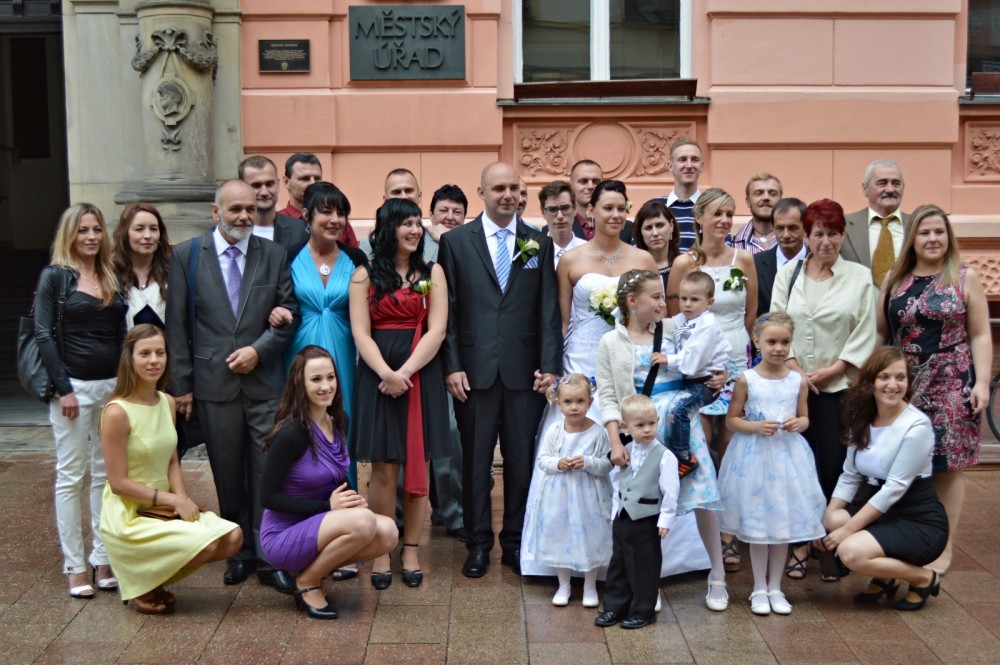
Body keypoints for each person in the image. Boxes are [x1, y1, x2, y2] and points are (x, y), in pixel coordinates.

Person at [165, 180, 298, 589]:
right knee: (227, 472)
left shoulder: (273, 255)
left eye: (250, 209)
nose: (244, 216)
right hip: (213, 384)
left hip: (264, 384)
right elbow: (177, 326)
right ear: (215, 211)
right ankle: (238, 551)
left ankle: (269, 556)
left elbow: (289, 312)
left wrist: (259, 350)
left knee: (266, 471)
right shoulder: (187, 255)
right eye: (235, 209)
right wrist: (182, 386)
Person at [438, 162, 561, 578]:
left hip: (525, 373)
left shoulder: (538, 243)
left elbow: (547, 309)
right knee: (475, 462)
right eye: (499, 189)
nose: (507, 195)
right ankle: (477, 544)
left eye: (514, 188)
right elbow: (449, 310)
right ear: (482, 193)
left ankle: (515, 542)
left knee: (520, 460)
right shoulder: (456, 242)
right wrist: (452, 366)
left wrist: (549, 366)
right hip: (473, 372)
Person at [596, 270, 728, 611]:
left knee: (701, 500)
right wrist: (616, 441)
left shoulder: (673, 329)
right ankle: (647, 584)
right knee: (645, 510)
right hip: (641, 433)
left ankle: (717, 575)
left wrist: (720, 375)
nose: (663, 303)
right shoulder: (611, 342)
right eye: (656, 297)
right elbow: (608, 395)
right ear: (632, 301)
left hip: (679, 423)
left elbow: (706, 356)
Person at [877, 204, 990, 576]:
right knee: (901, 465)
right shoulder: (894, 278)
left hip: (951, 384)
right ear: (912, 238)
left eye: (939, 232)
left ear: (948, 237)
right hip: (902, 386)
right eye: (924, 232)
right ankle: (908, 539)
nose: (932, 239)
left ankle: (944, 546)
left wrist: (982, 382)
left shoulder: (964, 277)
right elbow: (881, 333)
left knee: (946, 467)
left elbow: (980, 333)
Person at [99, 325, 242, 614]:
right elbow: (118, 483)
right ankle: (143, 586)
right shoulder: (117, 412)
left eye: (160, 353)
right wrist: (173, 500)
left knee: (233, 538)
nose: (154, 360)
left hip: (163, 508)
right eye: (145, 354)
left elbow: (172, 459)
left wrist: (182, 499)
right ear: (129, 358)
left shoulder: (167, 401)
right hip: (129, 514)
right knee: (204, 546)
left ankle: (150, 581)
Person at [771, 198, 876, 581]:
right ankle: (800, 546)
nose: (826, 241)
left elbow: (865, 330)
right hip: (794, 389)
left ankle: (831, 548)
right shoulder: (789, 275)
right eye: (818, 234)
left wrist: (834, 370)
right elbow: (776, 322)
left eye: (833, 233)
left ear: (843, 235)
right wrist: (796, 370)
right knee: (799, 469)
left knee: (834, 468)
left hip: (841, 390)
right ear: (807, 236)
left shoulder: (859, 277)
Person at [349, 198, 450, 589]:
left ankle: (410, 549)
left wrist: (404, 373)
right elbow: (361, 333)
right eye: (406, 223)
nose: (414, 230)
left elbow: (437, 330)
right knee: (384, 467)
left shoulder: (433, 271)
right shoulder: (364, 275)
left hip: (419, 373)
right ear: (387, 228)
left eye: (417, 223)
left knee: (418, 462)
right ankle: (380, 548)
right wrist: (386, 373)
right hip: (377, 375)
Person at [260, 346, 398, 619]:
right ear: (300, 383)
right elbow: (267, 497)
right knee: (364, 522)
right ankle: (308, 581)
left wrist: (351, 501)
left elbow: (334, 476)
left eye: (330, 377)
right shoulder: (292, 433)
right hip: (282, 534)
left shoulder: (338, 420)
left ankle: (313, 572)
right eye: (316, 379)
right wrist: (328, 507)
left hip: (319, 524)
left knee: (388, 532)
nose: (326, 386)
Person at [34, 202, 126, 599]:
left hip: (112, 387)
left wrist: (125, 384)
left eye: (96, 229)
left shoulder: (110, 273)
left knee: (106, 476)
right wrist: (64, 388)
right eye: (83, 230)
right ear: (69, 235)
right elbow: (43, 334)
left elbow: (120, 333)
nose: (91, 236)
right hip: (73, 388)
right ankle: (74, 565)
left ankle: (102, 558)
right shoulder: (55, 276)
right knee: (71, 475)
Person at [666, 189, 757, 576]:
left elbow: (751, 313)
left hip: (734, 361)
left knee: (731, 446)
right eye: (717, 214)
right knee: (699, 444)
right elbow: (676, 318)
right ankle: (695, 534)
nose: (724, 221)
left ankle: (728, 532)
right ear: (699, 218)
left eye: (730, 214)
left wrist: (734, 357)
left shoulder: (744, 259)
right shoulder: (683, 262)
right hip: (697, 367)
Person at [817, 346, 949, 611]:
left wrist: (847, 531)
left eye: (900, 377)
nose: (892, 385)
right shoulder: (862, 417)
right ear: (871, 381)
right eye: (884, 377)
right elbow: (850, 475)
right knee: (833, 518)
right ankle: (885, 576)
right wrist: (826, 523)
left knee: (850, 551)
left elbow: (893, 489)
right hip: (883, 516)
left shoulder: (916, 426)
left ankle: (924, 578)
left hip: (918, 522)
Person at [718, 313, 826, 616]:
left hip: (787, 459)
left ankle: (776, 587)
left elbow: (804, 417)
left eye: (784, 342)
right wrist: (754, 426)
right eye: (771, 342)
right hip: (754, 458)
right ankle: (758, 588)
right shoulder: (747, 379)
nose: (778, 348)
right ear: (757, 341)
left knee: (781, 523)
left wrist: (799, 423)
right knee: (757, 523)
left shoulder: (797, 380)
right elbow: (731, 420)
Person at [521, 374, 612, 607]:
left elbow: (606, 464)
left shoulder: (598, 432)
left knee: (590, 537)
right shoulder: (555, 430)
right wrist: (558, 463)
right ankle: (564, 585)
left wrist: (588, 462)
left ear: (590, 402)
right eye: (568, 402)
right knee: (560, 535)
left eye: (580, 401)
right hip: (558, 496)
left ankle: (590, 586)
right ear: (558, 403)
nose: (574, 407)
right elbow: (543, 460)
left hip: (588, 497)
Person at [594, 394, 678, 630]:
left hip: (647, 518)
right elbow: (619, 484)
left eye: (651, 423)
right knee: (618, 563)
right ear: (625, 427)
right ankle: (615, 607)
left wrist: (665, 520)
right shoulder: (626, 450)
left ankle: (643, 611)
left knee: (644, 566)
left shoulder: (665, 456)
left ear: (657, 421)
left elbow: (671, 491)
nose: (647, 430)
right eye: (640, 425)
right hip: (623, 516)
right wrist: (615, 513)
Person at [663, 271, 732, 476]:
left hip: (705, 383)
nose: (687, 304)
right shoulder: (684, 319)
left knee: (679, 410)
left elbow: (692, 360)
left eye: (694, 300)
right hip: (691, 381)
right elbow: (667, 326)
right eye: (683, 298)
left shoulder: (707, 326)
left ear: (709, 303)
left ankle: (683, 457)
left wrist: (668, 359)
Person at [842, 159, 909, 285]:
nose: (890, 189)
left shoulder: (918, 225)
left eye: (896, 183)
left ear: (903, 187)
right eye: (882, 183)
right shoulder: (843, 226)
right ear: (865, 189)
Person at [279, 151, 359, 248]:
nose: (313, 183)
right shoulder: (276, 222)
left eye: (317, 178)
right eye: (305, 178)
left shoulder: (337, 221)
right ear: (286, 182)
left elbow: (353, 255)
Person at [112, 203, 170, 330]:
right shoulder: (110, 276)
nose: (148, 236)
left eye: (153, 229)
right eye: (139, 229)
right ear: (125, 233)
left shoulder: (174, 273)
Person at [239, 155, 309, 258]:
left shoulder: (301, 231)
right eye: (256, 185)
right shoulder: (232, 231)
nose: (264, 192)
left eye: (269, 184)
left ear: (278, 185)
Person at [754, 198, 808, 317]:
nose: (786, 235)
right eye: (780, 228)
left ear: (805, 227)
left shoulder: (819, 263)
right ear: (773, 227)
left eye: (792, 228)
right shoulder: (755, 264)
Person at [360, 168, 424, 259]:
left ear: (419, 196)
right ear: (385, 200)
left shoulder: (437, 239)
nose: (403, 197)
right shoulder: (369, 244)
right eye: (396, 192)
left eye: (408, 190)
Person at [568, 160, 633, 241]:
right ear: (571, 186)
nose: (590, 186)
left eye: (596, 181)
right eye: (583, 181)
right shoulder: (560, 227)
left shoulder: (630, 229)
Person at [661, 138, 704, 254]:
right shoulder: (655, 207)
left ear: (701, 166)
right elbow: (639, 251)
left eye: (695, 160)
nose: (689, 165)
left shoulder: (713, 207)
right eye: (682, 159)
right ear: (670, 166)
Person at [632, 199, 680, 293]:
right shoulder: (632, 269)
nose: (655, 233)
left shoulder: (683, 264)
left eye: (660, 225)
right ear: (640, 232)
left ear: (671, 226)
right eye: (648, 228)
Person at [728, 174, 782, 254]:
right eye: (759, 193)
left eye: (773, 194)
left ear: (780, 201)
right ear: (748, 201)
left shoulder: (796, 242)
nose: (766, 197)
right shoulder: (731, 245)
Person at [538, 180, 586, 266]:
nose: (560, 216)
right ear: (543, 212)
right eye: (552, 210)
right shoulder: (534, 253)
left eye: (565, 208)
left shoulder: (588, 251)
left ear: (575, 209)